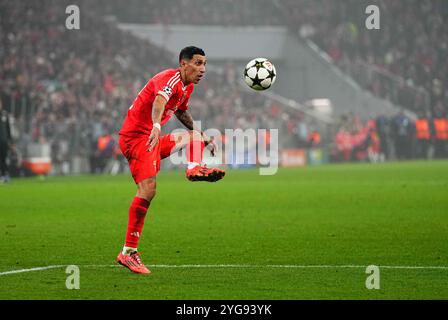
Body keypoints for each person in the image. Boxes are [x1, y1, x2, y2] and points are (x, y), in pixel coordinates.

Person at [116, 46, 225, 274]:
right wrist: (156, 125)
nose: (202, 68)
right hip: (138, 138)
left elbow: (181, 112)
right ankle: (128, 252)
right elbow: (158, 102)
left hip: (149, 137)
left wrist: (203, 136)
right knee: (148, 189)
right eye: (197, 63)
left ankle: (194, 169)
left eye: (205, 63)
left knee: (195, 135)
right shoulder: (170, 78)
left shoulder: (188, 87)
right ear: (183, 64)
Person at [0, 101, 12, 183]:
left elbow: (8, 129)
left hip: (4, 141)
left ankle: (5, 175)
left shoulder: (5, 114)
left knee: (4, 159)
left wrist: (10, 141)